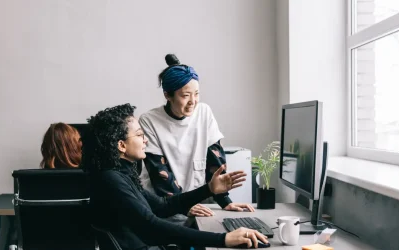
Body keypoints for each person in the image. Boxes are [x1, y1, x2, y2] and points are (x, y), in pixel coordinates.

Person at [85, 103, 268, 249]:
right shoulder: (111, 180)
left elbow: (163, 206)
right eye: (140, 135)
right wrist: (224, 239)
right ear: (121, 146)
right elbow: (151, 228)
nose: (146, 140)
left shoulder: (121, 175)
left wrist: (209, 189)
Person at [139, 54, 254, 221]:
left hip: (198, 202)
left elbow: (215, 160)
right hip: (165, 205)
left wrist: (225, 201)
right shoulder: (150, 121)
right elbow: (160, 173)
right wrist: (183, 206)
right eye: (185, 95)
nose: (193, 101)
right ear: (167, 95)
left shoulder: (204, 112)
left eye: (196, 94)